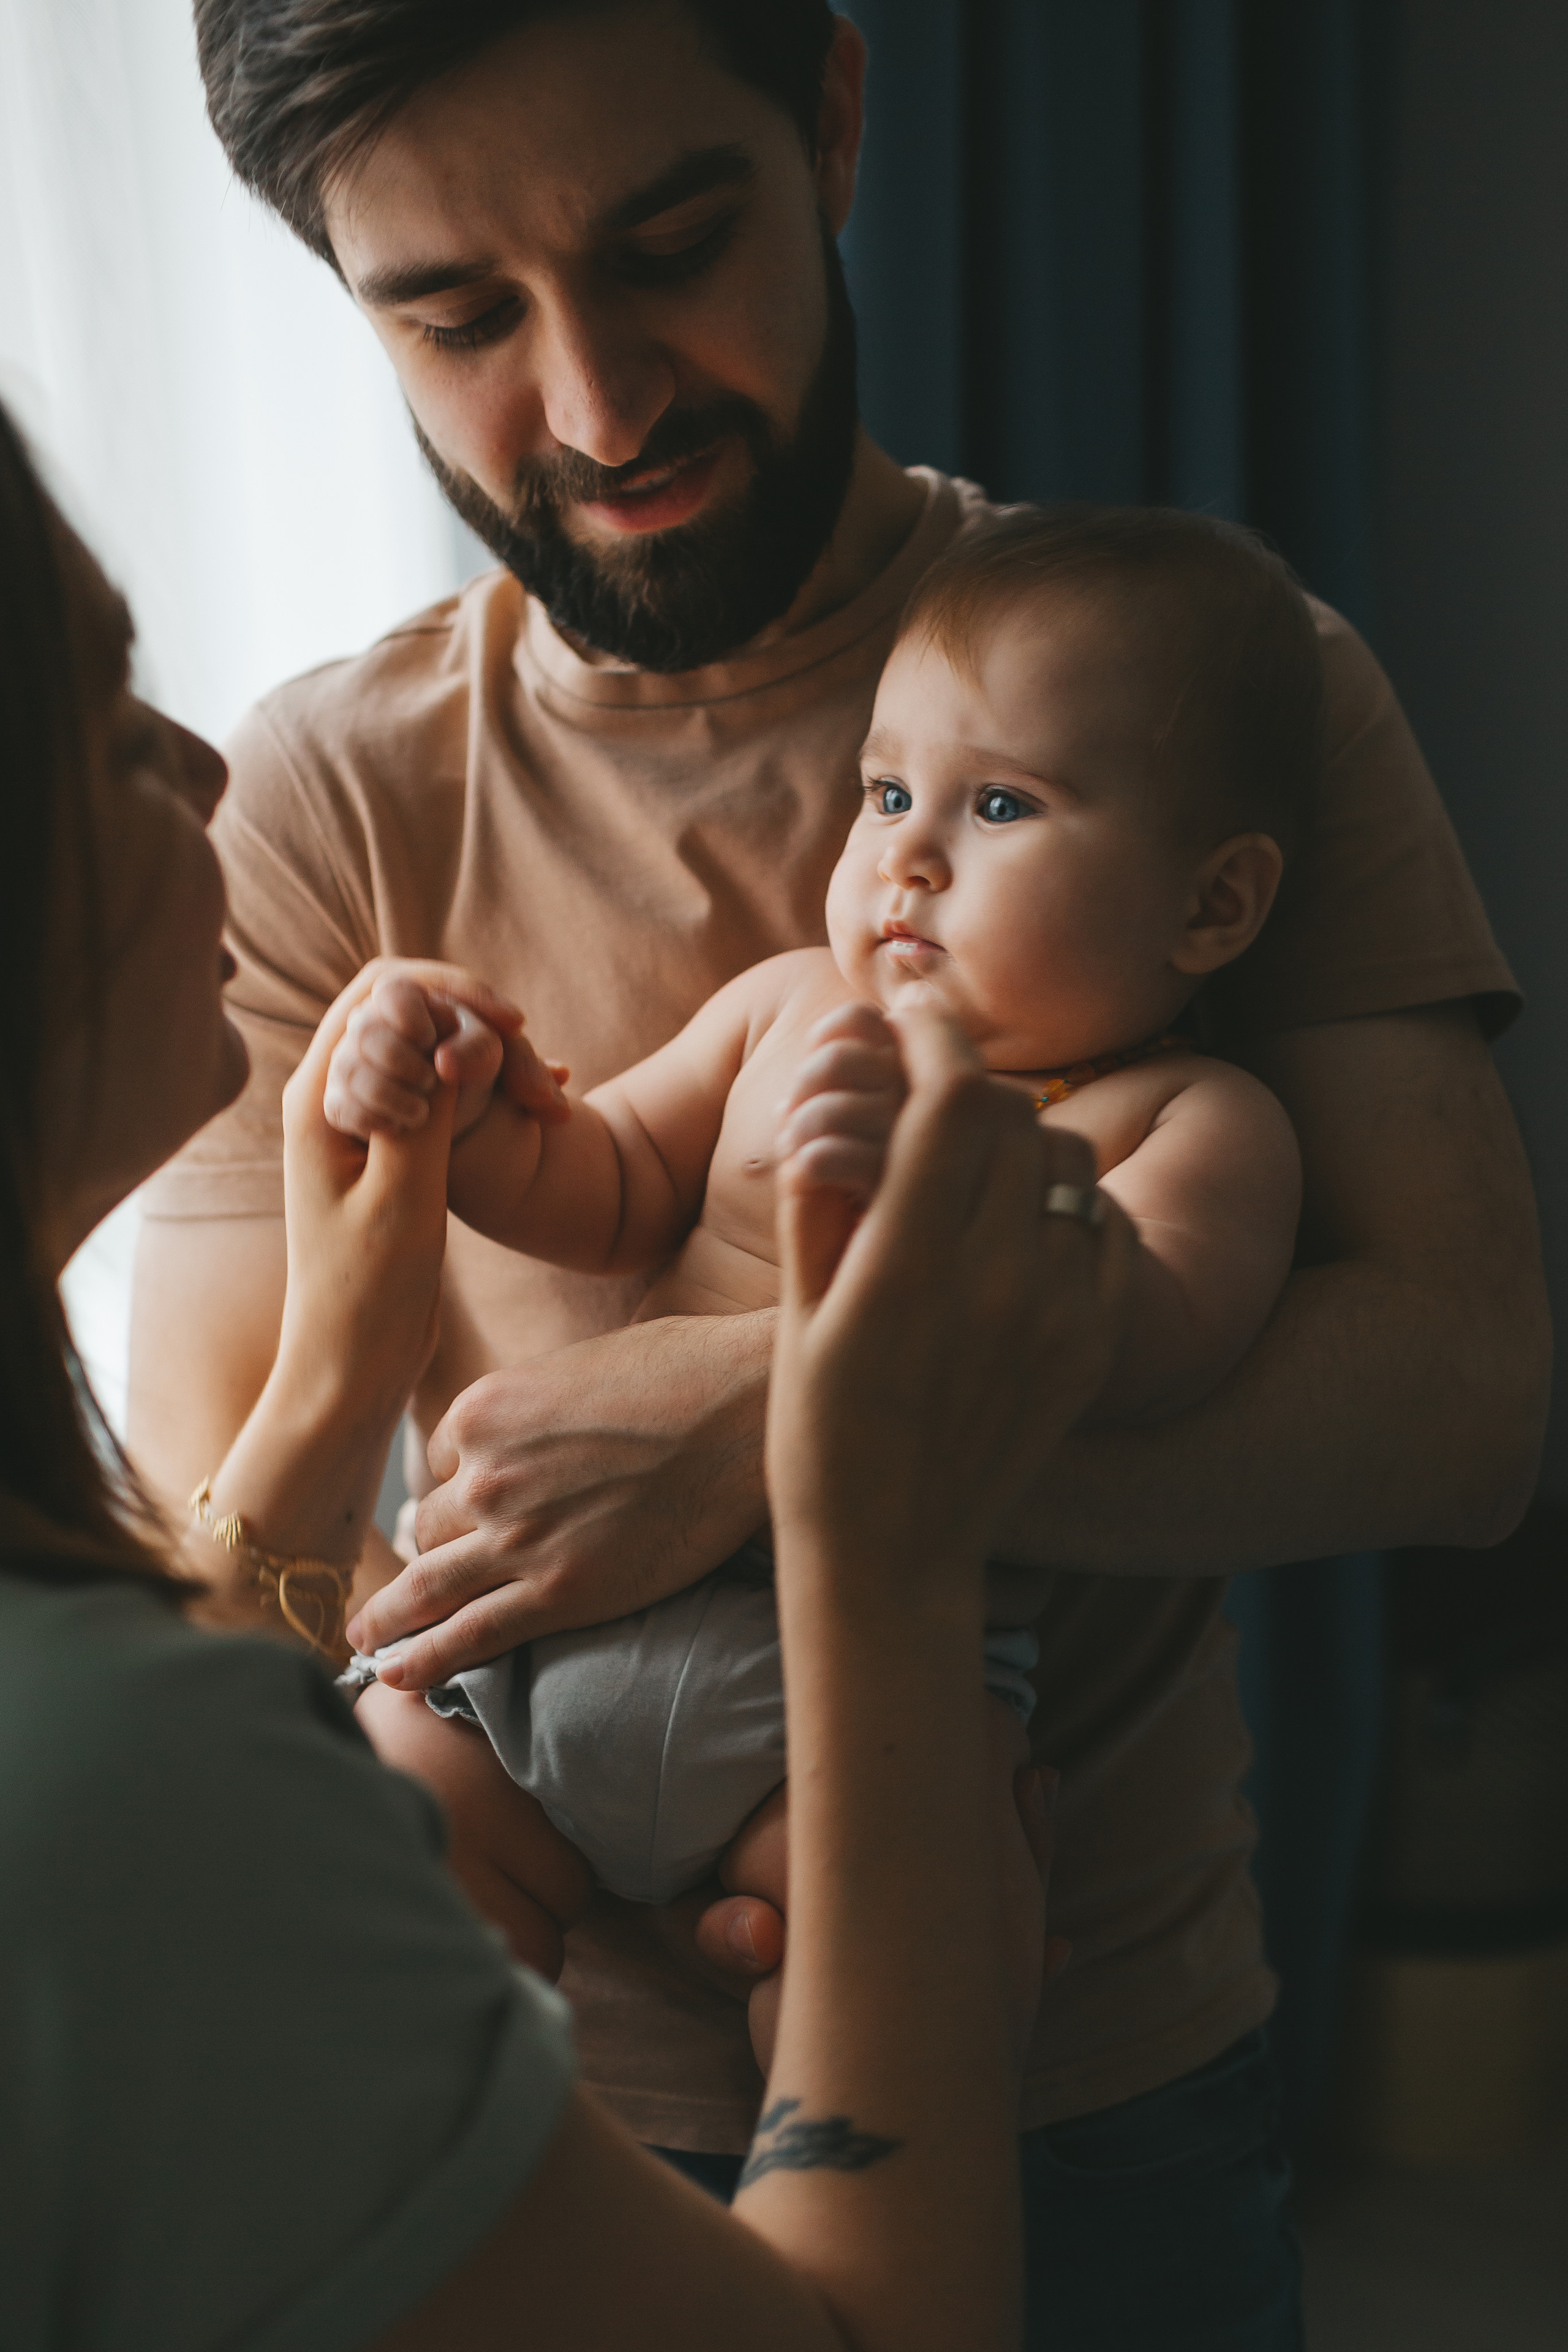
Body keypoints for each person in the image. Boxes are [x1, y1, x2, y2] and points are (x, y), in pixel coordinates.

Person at [130, 3, 1547, 2341]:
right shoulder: (318, 802)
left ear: (838, 123)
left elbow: (1463, 1403)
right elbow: (245, 1554)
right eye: (458, 316)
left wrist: (760, 1449)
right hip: (519, 2111)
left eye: (670, 243)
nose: (597, 408)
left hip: (1083, 2091)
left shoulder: (1196, 692)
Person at [0, 396, 1127, 2350]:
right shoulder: (125, 1785)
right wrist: (868, 1540)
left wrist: (342, 1377)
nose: (204, 766)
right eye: (109, 729)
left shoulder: (119, 1730)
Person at [324, 505, 1312, 2071]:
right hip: (541, 1644)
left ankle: (863, 2234)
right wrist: (468, 1103)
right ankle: (469, 2193)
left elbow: (1157, 1342)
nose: (906, 855)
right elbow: (603, 1187)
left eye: (997, 804)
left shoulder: (1187, 1121)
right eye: (886, 791)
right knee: (384, 1850)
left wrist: (978, 1204)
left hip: (858, 1687)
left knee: (935, 1970)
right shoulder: (787, 1004)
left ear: (1208, 906)